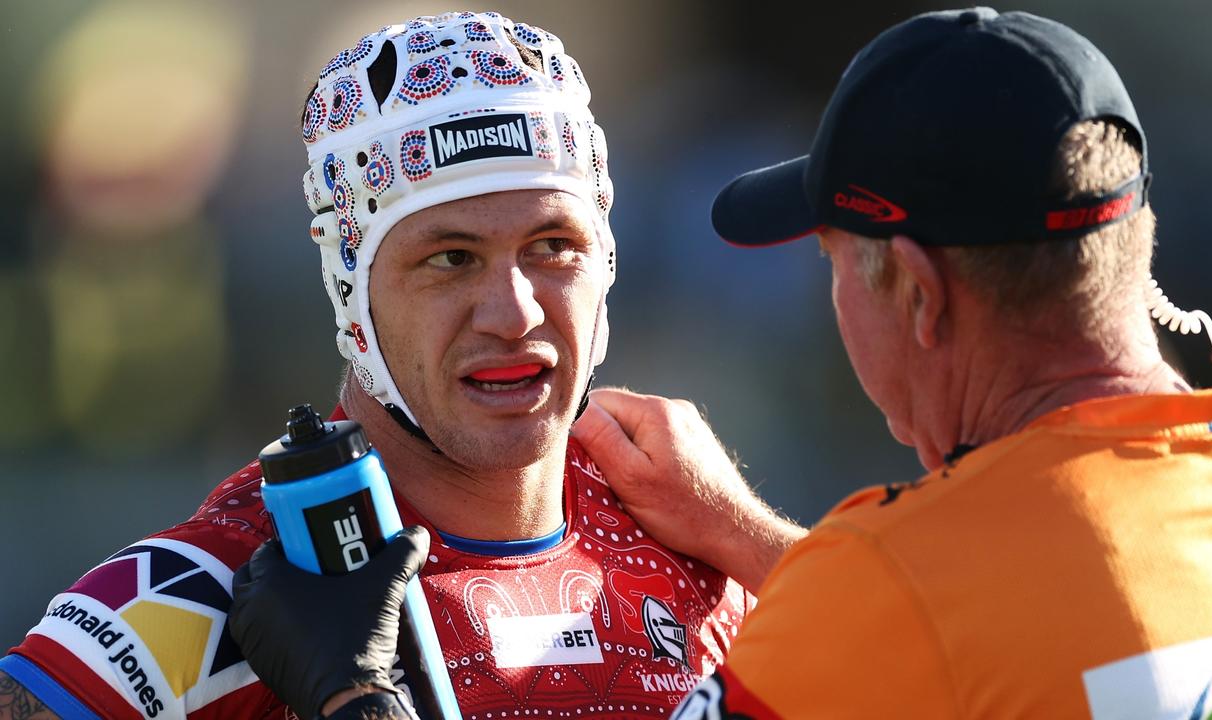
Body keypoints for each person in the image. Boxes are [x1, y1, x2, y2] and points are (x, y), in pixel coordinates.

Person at [0, 12, 748, 720]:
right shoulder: (228, 587)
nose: (515, 313)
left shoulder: (700, 549)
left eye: (553, 246)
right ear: (352, 296)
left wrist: (755, 543)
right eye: (451, 259)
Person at [572, 7, 1212, 718]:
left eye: (832, 260)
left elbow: (936, 623)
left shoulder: (887, 590)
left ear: (919, 294)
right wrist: (744, 535)